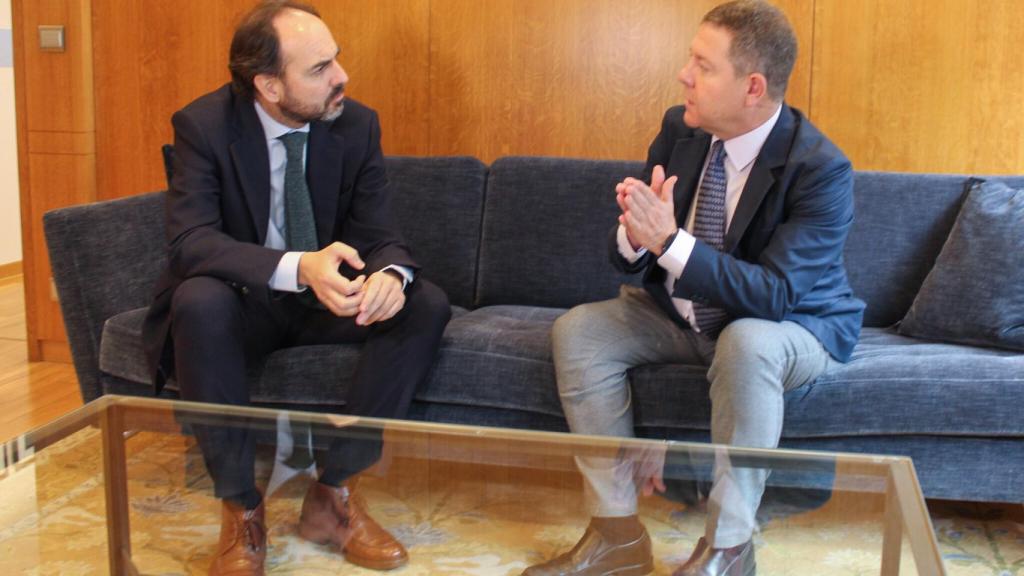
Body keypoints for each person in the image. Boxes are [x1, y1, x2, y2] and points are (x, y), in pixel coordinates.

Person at [523, 1, 864, 575]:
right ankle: (616, 536)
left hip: (792, 325)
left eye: (702, 66)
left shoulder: (820, 169)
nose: (685, 75)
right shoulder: (681, 128)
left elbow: (775, 294)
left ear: (752, 86)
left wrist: (668, 242)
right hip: (679, 316)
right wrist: (637, 234)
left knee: (748, 343)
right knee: (579, 330)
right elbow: (631, 253)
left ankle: (728, 549)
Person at [140, 1, 451, 574]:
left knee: (422, 302)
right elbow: (191, 242)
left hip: (323, 301)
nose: (341, 77)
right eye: (319, 69)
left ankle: (332, 495)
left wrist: (388, 277)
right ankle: (240, 509)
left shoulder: (355, 124)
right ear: (268, 86)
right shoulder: (204, 127)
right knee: (197, 300)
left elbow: (382, 234)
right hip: (240, 302)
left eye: (337, 60)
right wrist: (295, 264)